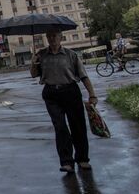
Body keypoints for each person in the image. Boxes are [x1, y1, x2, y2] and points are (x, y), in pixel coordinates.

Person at [31, 29, 98, 173]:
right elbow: (34, 74)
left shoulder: (71, 55)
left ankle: (82, 159)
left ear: (61, 37)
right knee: (60, 127)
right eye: (49, 36)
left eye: (54, 35)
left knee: (77, 126)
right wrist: (34, 63)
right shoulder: (41, 55)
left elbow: (83, 76)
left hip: (70, 92)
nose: (52, 38)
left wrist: (92, 95)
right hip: (51, 94)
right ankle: (66, 162)